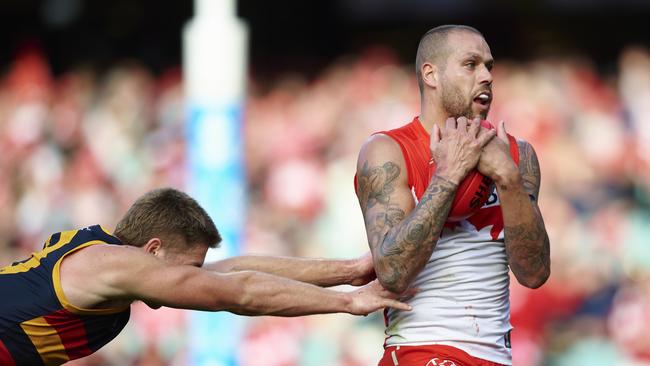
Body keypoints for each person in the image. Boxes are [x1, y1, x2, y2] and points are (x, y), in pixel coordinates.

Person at [0, 188, 412, 366]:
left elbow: (233, 270)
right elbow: (240, 291)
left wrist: (350, 272)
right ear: (154, 249)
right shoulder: (114, 264)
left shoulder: (114, 263)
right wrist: (347, 303)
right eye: (190, 268)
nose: (198, 279)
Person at [354, 25, 550, 366]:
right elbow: (393, 271)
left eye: (489, 66)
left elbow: (533, 274)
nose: (486, 76)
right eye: (471, 64)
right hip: (422, 350)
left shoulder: (518, 155)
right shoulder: (388, 151)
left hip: (497, 357)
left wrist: (508, 179)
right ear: (431, 74)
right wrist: (448, 175)